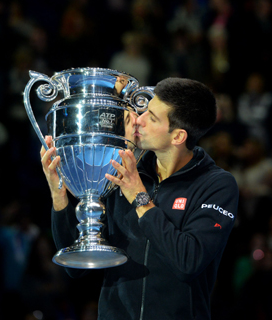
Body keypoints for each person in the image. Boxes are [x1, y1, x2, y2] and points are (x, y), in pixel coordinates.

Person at [40, 77, 239, 320]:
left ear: (178, 137)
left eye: (151, 118)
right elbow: (76, 267)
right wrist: (58, 193)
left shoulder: (217, 185)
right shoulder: (123, 169)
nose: (138, 119)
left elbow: (189, 261)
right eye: (144, 111)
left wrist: (139, 197)